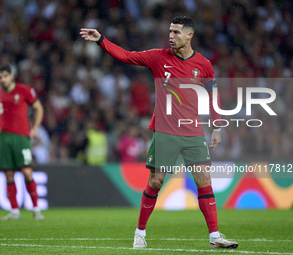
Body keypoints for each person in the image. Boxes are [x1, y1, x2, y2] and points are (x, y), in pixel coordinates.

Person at [80, 16, 238, 249]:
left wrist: (217, 127)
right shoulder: (158, 57)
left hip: (193, 132)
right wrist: (101, 40)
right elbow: (126, 56)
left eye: (176, 32)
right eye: (170, 32)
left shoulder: (203, 64)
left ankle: (215, 237)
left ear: (189, 35)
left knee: (204, 181)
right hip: (165, 131)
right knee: (156, 181)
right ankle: (140, 233)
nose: (171, 36)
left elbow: (213, 97)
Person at [0, 64, 45, 220]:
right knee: (9, 174)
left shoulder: (24, 90)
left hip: (21, 137)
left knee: (27, 171)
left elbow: (39, 108)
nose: (3, 79)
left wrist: (36, 128)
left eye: (5, 76)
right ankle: (14, 211)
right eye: (0, 77)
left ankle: (36, 209)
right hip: (3, 137)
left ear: (12, 76)